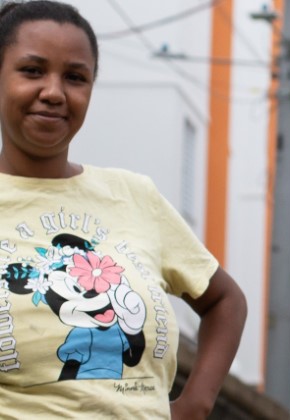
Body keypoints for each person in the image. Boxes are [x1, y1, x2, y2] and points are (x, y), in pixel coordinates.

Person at [0, 1, 247, 418]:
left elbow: (225, 300)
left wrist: (196, 404)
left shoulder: (133, 195)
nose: (55, 92)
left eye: (75, 77)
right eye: (32, 70)